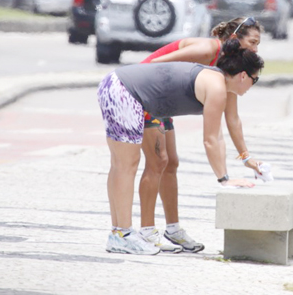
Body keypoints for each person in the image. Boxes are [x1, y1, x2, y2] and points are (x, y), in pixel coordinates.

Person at [97, 39, 264, 255]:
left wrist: (239, 163)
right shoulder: (217, 87)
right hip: (124, 90)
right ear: (243, 75)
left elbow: (219, 135)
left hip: (117, 85)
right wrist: (224, 179)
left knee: (121, 165)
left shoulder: (216, 81)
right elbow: (211, 139)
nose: (253, 84)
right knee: (126, 164)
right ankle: (123, 235)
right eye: (255, 79)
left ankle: (119, 234)